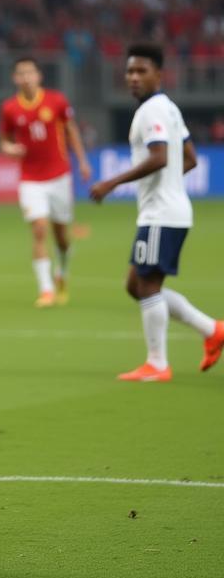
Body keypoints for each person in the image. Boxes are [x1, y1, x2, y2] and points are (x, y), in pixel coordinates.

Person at [90, 44, 224, 381]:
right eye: (130, 72)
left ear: (159, 75)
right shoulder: (169, 108)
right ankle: (212, 330)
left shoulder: (151, 110)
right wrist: (166, 187)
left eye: (141, 71)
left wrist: (112, 182)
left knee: (147, 285)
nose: (134, 78)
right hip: (168, 208)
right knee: (136, 284)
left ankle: (158, 363)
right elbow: (189, 157)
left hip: (161, 213)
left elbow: (161, 156)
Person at [0, 58, 91, 307]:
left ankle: (62, 272)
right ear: (15, 79)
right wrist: (10, 149)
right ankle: (46, 289)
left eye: (30, 72)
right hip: (30, 179)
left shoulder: (56, 100)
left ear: (39, 75)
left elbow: (71, 130)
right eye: (21, 73)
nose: (26, 77)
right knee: (39, 229)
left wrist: (82, 161)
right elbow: (4, 140)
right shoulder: (10, 108)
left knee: (61, 236)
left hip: (59, 175)